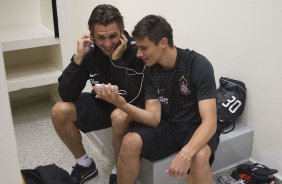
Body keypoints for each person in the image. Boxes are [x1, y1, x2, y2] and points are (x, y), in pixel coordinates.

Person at [93, 15, 220, 184]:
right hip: (169, 126)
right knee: (130, 141)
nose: (138, 54)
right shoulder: (150, 70)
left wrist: (186, 153)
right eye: (137, 48)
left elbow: (210, 122)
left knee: (200, 155)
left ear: (163, 42)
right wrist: (121, 104)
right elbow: (153, 119)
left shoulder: (197, 64)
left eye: (144, 48)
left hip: (195, 127)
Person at [51, 4, 144, 184]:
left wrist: (117, 60)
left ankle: (120, 168)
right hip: (101, 105)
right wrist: (78, 58)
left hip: (129, 107)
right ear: (91, 36)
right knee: (59, 110)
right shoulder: (89, 51)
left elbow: (136, 96)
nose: (108, 44)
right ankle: (85, 164)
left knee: (119, 115)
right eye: (101, 38)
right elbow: (66, 94)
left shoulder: (137, 51)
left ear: (122, 32)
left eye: (113, 36)